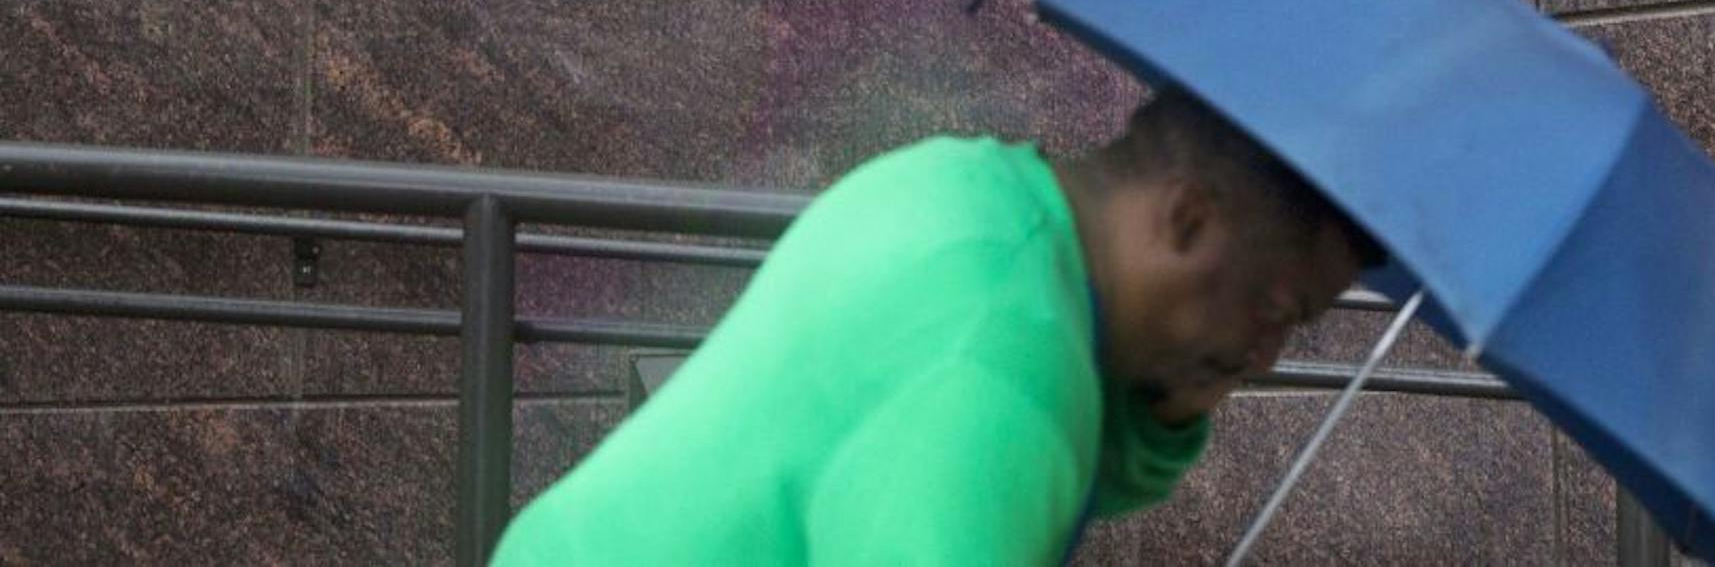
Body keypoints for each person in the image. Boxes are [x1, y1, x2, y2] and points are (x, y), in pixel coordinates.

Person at [491, 88, 1378, 565]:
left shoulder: (976, 195)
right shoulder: (992, 369)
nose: (1267, 356)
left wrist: (1178, 399)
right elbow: (1005, 437)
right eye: (1275, 308)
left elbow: (1057, 466)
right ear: (1186, 221)